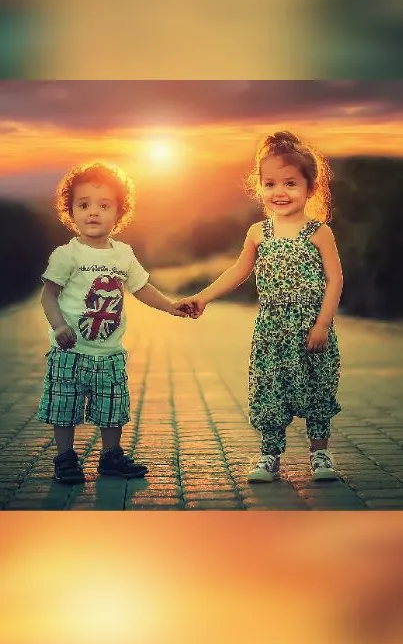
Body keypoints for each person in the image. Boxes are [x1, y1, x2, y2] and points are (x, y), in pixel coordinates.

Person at [175, 131, 343, 482]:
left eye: (290, 183)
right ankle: (269, 457)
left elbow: (334, 280)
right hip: (271, 331)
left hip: (311, 327)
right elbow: (237, 271)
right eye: (270, 184)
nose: (279, 192)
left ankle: (321, 455)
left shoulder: (318, 231)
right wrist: (202, 297)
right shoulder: (258, 232)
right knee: (269, 390)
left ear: (310, 188)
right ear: (260, 187)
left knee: (317, 389)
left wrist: (323, 324)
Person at [37, 160, 189, 485]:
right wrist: (60, 326)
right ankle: (65, 459)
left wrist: (171, 306)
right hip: (70, 351)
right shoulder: (68, 255)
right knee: (64, 405)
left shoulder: (123, 255)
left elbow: (142, 288)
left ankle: (111, 457)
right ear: (71, 211)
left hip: (109, 352)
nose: (93, 212)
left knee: (113, 407)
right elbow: (48, 296)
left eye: (104, 206)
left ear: (118, 213)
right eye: (84, 205)